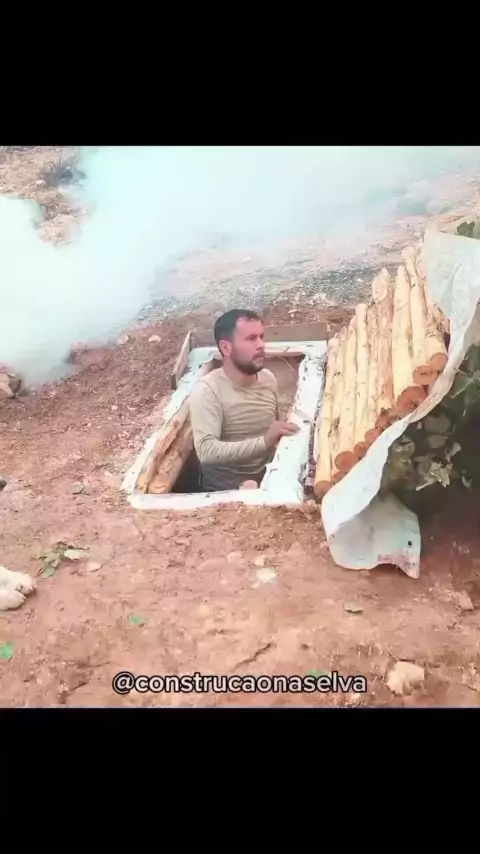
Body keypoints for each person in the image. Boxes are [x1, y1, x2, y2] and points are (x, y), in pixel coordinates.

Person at [189, 309, 299, 492]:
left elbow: (276, 428)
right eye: (251, 339)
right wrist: (264, 442)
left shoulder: (268, 379)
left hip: (269, 481)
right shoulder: (208, 390)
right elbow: (206, 451)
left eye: (261, 337)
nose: (261, 345)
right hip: (224, 492)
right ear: (226, 348)